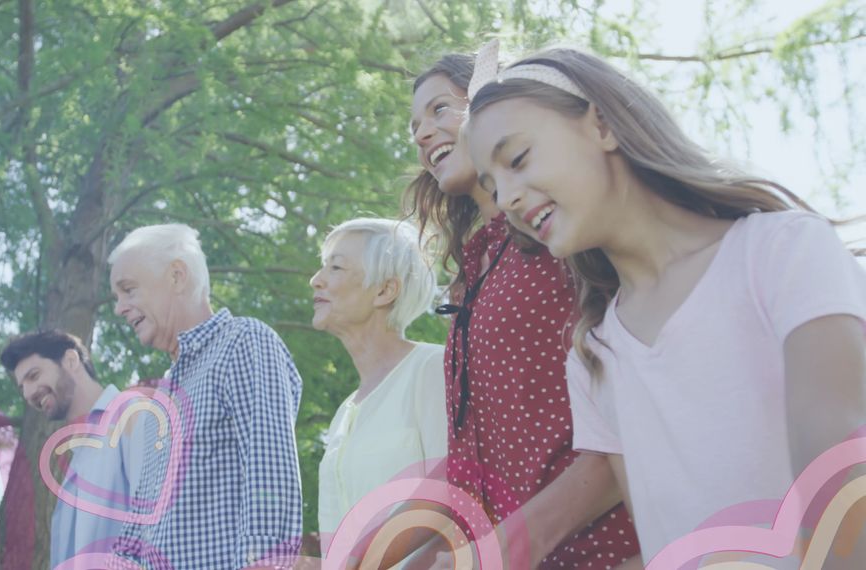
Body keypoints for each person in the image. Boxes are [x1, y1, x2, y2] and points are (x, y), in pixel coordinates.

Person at [464, 45, 866, 566]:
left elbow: (839, 464)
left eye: (517, 159)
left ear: (603, 125)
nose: (507, 200)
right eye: (492, 188)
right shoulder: (594, 356)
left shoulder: (780, 251)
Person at [405, 52, 639, 568]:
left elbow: (622, 426)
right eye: (414, 127)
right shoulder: (471, 278)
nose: (423, 133)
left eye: (439, 110)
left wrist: (499, 553)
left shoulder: (566, 236)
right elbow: (473, 468)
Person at [106, 223, 303, 569]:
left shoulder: (243, 342)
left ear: (177, 276)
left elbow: (270, 476)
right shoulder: (163, 398)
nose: (119, 308)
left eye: (129, 290)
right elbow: (141, 521)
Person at [310, 218, 446, 554]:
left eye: (336, 267)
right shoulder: (344, 412)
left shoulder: (431, 369)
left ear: (385, 290)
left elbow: (452, 496)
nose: (315, 281)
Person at [0, 329, 151, 568]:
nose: (28, 393)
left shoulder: (133, 415)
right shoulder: (77, 459)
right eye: (22, 388)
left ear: (70, 360)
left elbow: (155, 526)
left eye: (34, 375)